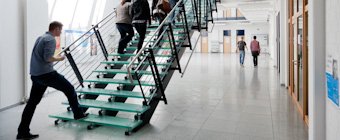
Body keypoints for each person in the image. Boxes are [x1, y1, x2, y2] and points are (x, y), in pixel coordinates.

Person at [17, 21, 88, 140]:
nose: (60, 32)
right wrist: (60, 58)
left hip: (36, 75)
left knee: (32, 104)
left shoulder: (40, 37)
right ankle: (78, 114)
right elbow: (47, 58)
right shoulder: (50, 39)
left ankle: (22, 132)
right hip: (47, 74)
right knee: (70, 89)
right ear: (55, 29)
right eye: (60, 29)